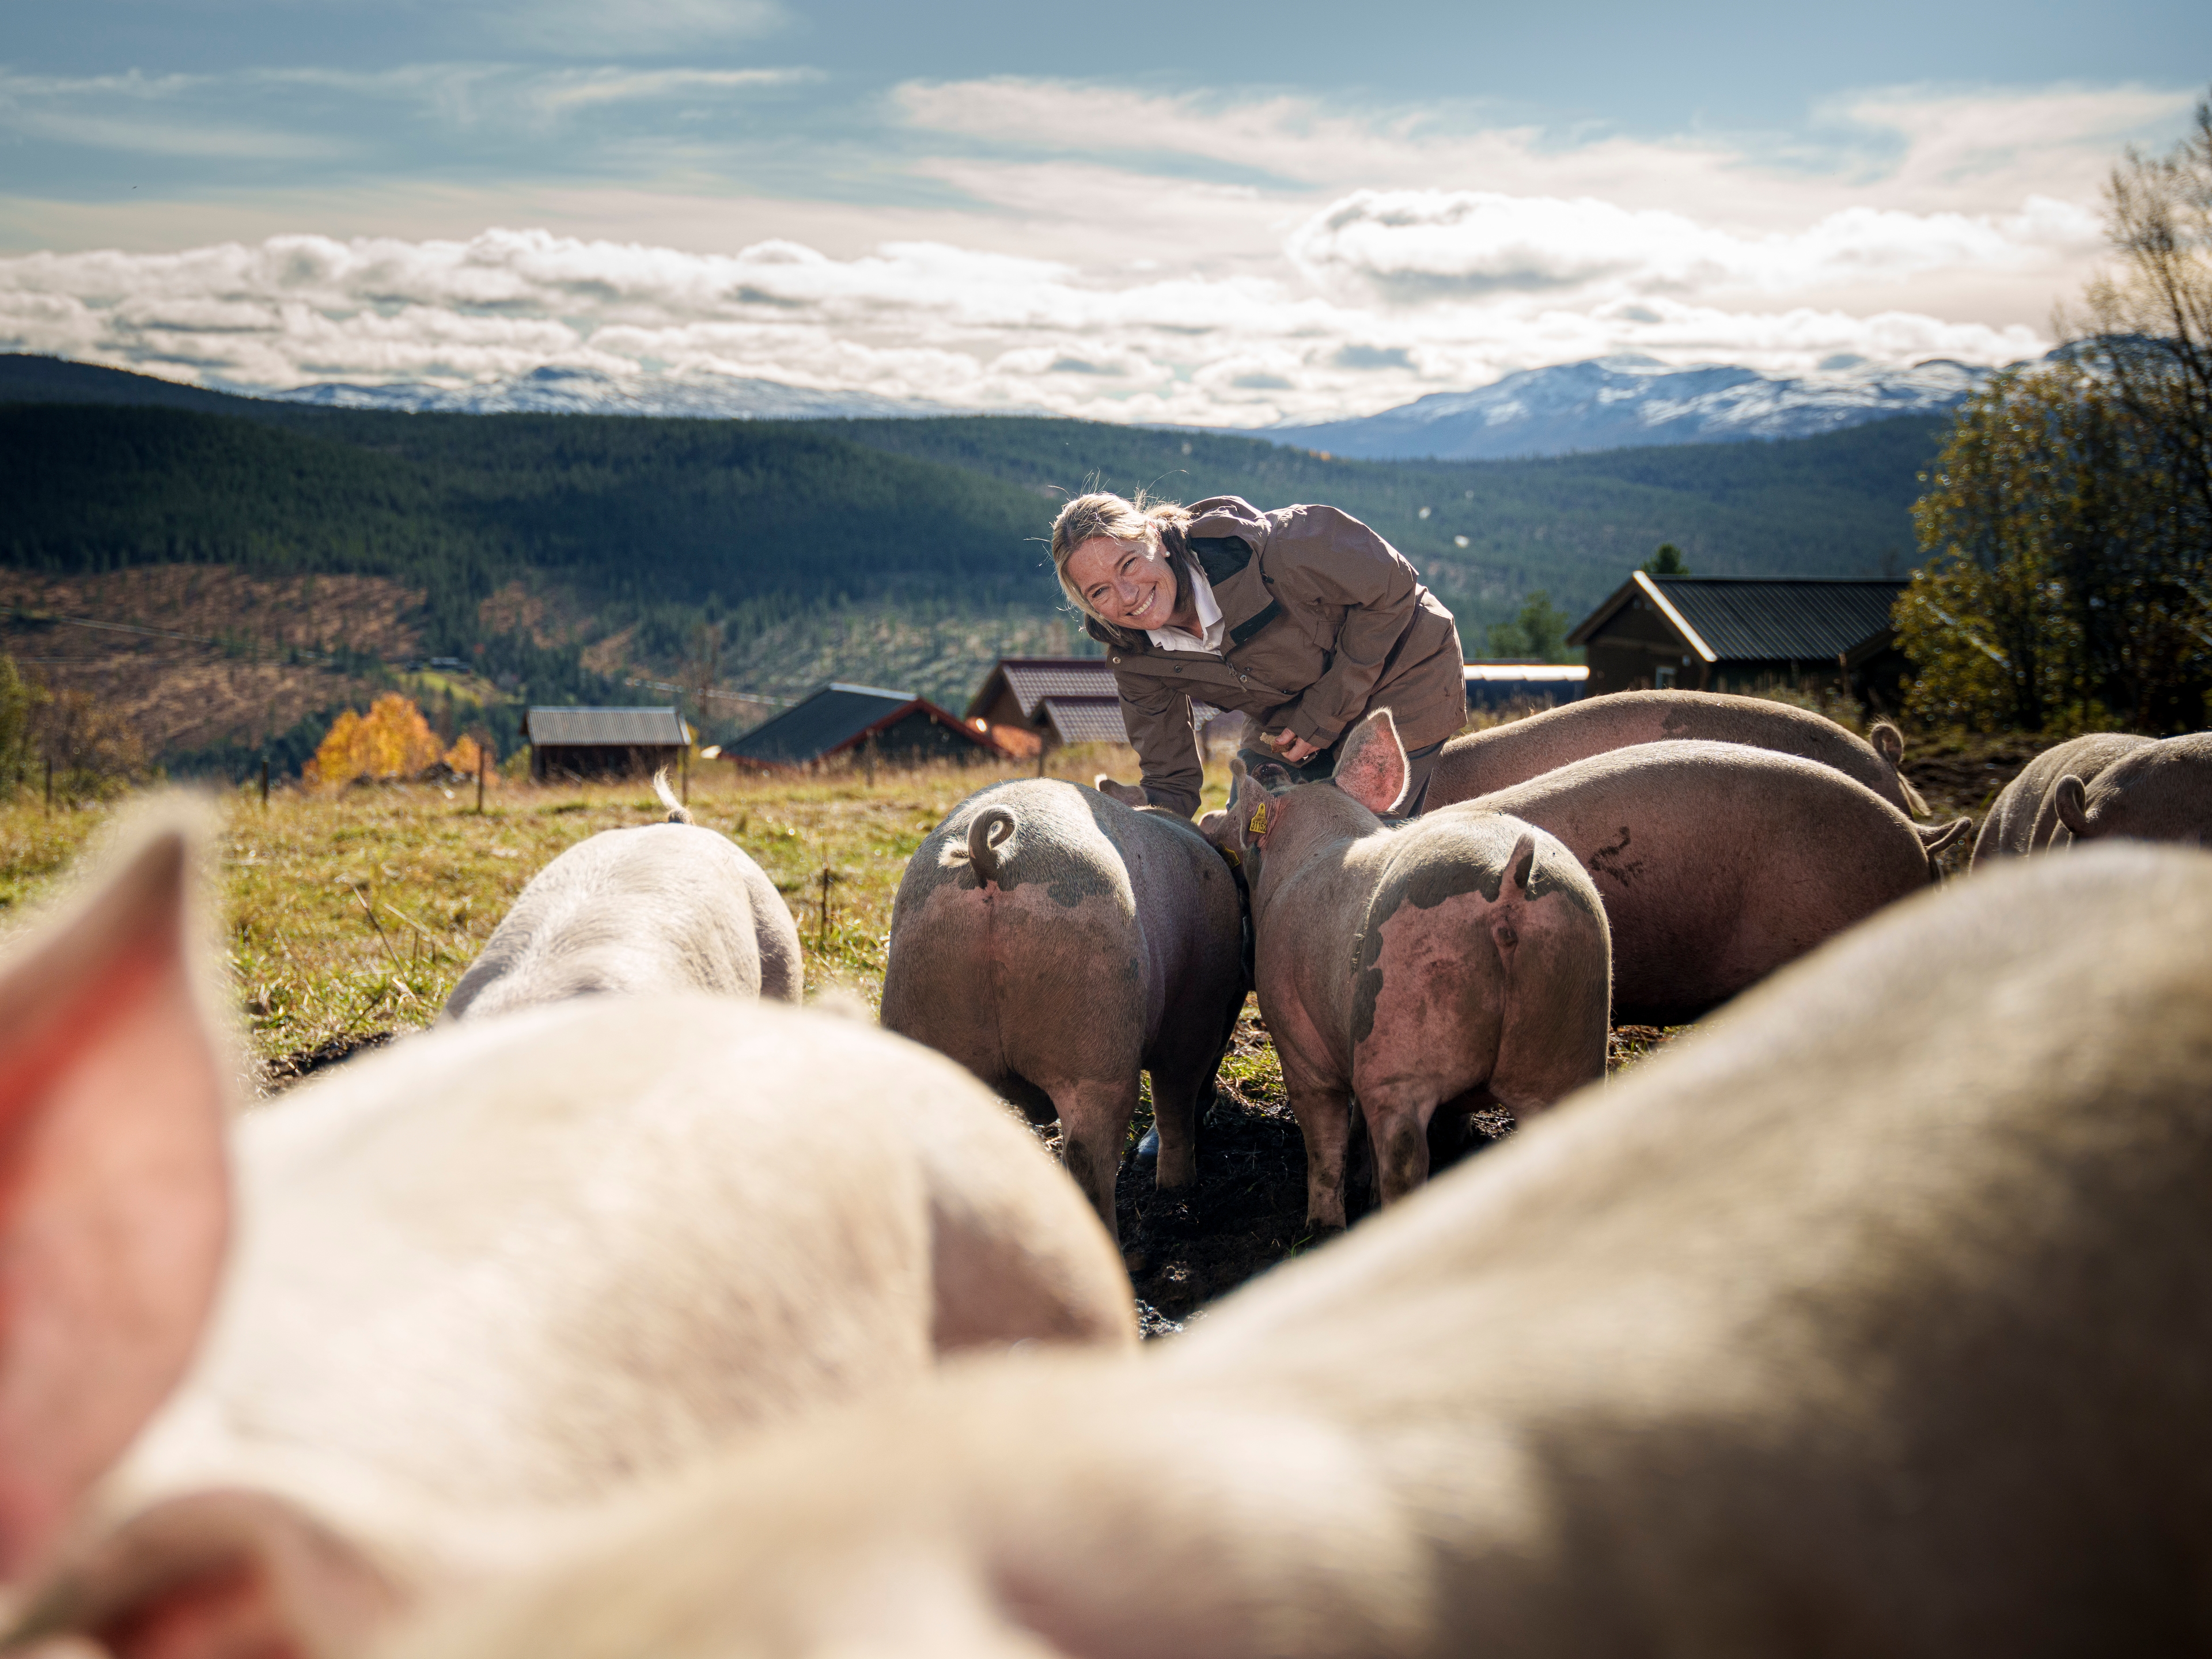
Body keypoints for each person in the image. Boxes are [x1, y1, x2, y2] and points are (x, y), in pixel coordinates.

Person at [1051, 491, 1465, 817]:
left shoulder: (1282, 546)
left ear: (1155, 541)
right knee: (1251, 836)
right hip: (1291, 709)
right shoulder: (1135, 657)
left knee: (1359, 835)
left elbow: (1392, 588)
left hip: (1403, 671)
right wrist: (1131, 826)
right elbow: (1170, 781)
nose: (1127, 596)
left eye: (1128, 564)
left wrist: (1321, 717)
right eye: (1099, 592)